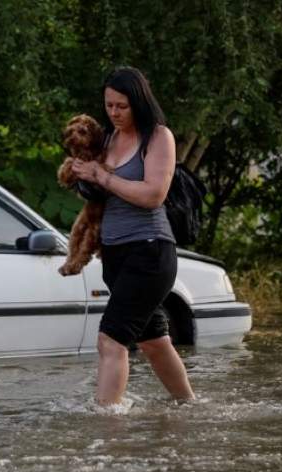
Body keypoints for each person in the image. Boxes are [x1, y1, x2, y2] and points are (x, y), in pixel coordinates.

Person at [70, 66, 195, 406]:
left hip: (150, 252)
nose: (114, 113)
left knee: (110, 340)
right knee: (154, 341)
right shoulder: (108, 139)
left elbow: (153, 194)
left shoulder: (158, 137)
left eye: (121, 106)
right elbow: (101, 194)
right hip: (115, 254)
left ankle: (108, 427)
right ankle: (190, 407)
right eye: (109, 105)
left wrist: (103, 177)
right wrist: (85, 177)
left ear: (138, 102)